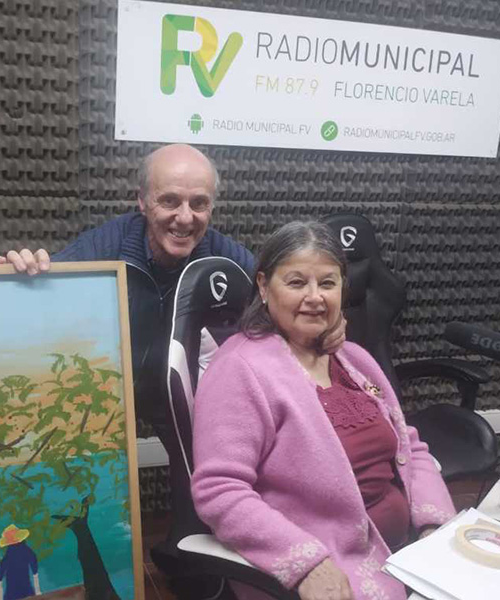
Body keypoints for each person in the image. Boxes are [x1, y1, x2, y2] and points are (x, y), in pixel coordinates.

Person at [0, 144, 345, 439]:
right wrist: (16, 278)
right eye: (170, 201)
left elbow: (279, 301)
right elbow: (43, 295)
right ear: (142, 201)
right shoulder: (107, 245)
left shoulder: (226, 258)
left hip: (188, 401)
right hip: (113, 399)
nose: (185, 217)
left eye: (199, 203)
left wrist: (327, 323)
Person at [190, 221, 455, 600]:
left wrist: (435, 528)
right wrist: (306, 563)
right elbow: (219, 491)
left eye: (327, 283)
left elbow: (409, 447)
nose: (315, 297)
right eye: (297, 282)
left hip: (409, 556)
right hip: (333, 566)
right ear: (264, 286)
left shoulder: (354, 359)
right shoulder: (240, 370)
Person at [0, 525, 41, 599]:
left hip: (11, 594)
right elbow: (35, 571)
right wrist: (38, 591)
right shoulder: (26, 550)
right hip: (26, 590)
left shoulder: (8, 555)